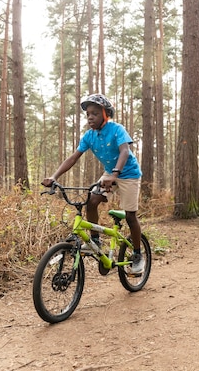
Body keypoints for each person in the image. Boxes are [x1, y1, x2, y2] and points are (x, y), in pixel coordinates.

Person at [41, 94, 145, 274]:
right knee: (91, 201)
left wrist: (114, 175)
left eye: (95, 113)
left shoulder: (116, 129)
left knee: (130, 216)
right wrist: (54, 176)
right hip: (109, 174)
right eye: (88, 114)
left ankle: (137, 254)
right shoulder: (89, 136)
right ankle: (95, 241)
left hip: (128, 174)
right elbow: (73, 157)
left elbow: (125, 152)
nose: (90, 117)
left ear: (106, 114)